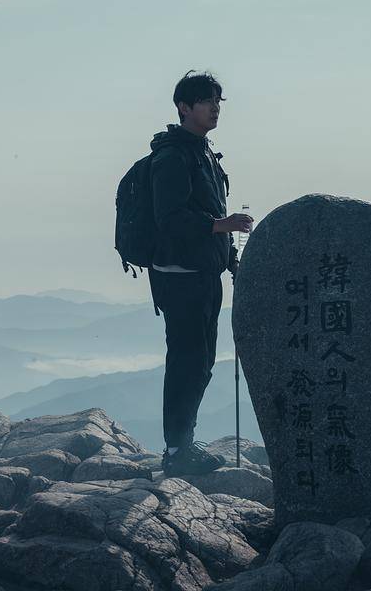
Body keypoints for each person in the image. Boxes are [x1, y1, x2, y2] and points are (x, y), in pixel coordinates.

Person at [148, 70, 254, 477]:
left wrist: (230, 261)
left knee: (200, 361)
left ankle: (184, 444)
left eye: (218, 102)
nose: (214, 109)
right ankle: (177, 450)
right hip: (179, 275)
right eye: (207, 101)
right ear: (183, 108)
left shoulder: (204, 153)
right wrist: (220, 226)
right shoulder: (174, 156)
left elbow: (206, 213)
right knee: (187, 361)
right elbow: (170, 219)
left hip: (204, 272)